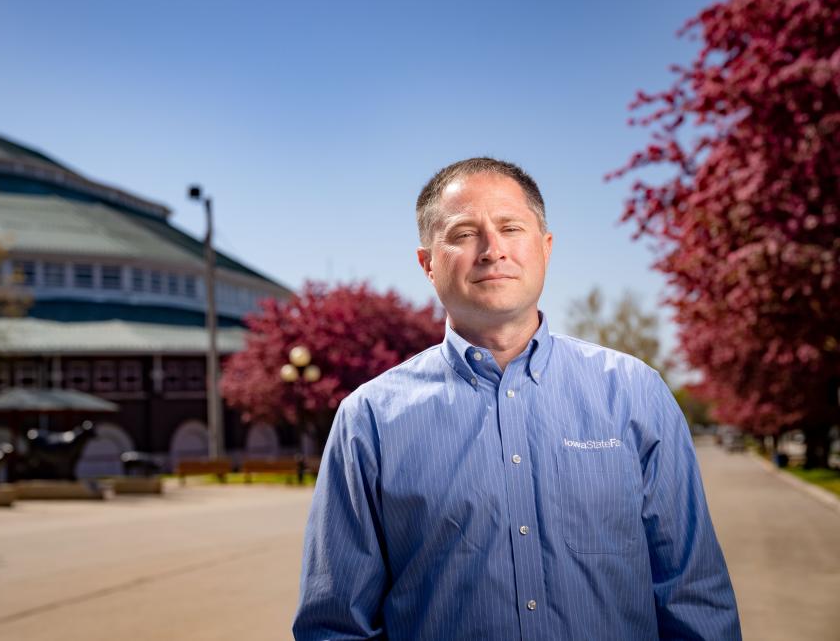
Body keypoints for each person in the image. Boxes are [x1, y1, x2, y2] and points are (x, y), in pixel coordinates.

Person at [293, 157, 741, 640]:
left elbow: (691, 595)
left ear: (545, 248)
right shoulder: (370, 420)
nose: (492, 250)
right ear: (427, 263)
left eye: (511, 228)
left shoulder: (636, 394)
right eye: (464, 234)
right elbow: (336, 626)